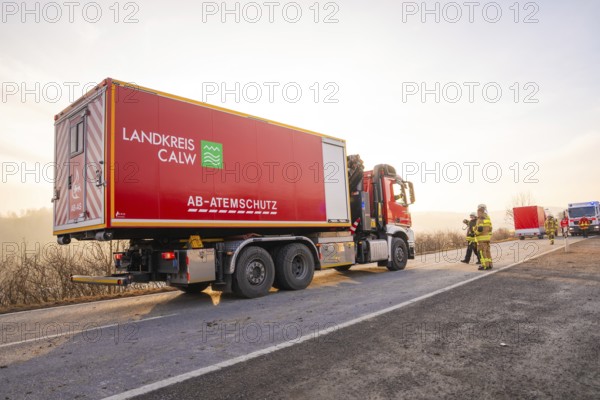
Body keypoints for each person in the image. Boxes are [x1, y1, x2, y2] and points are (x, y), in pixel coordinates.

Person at [474, 203, 493, 270]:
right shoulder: (487, 217)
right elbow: (490, 228)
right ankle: (490, 264)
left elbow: (480, 229)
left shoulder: (480, 219)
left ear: (480, 211)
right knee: (488, 252)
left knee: (482, 252)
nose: (477, 213)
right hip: (487, 238)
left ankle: (485, 265)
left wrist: (475, 233)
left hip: (481, 239)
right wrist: (489, 236)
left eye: (478, 211)